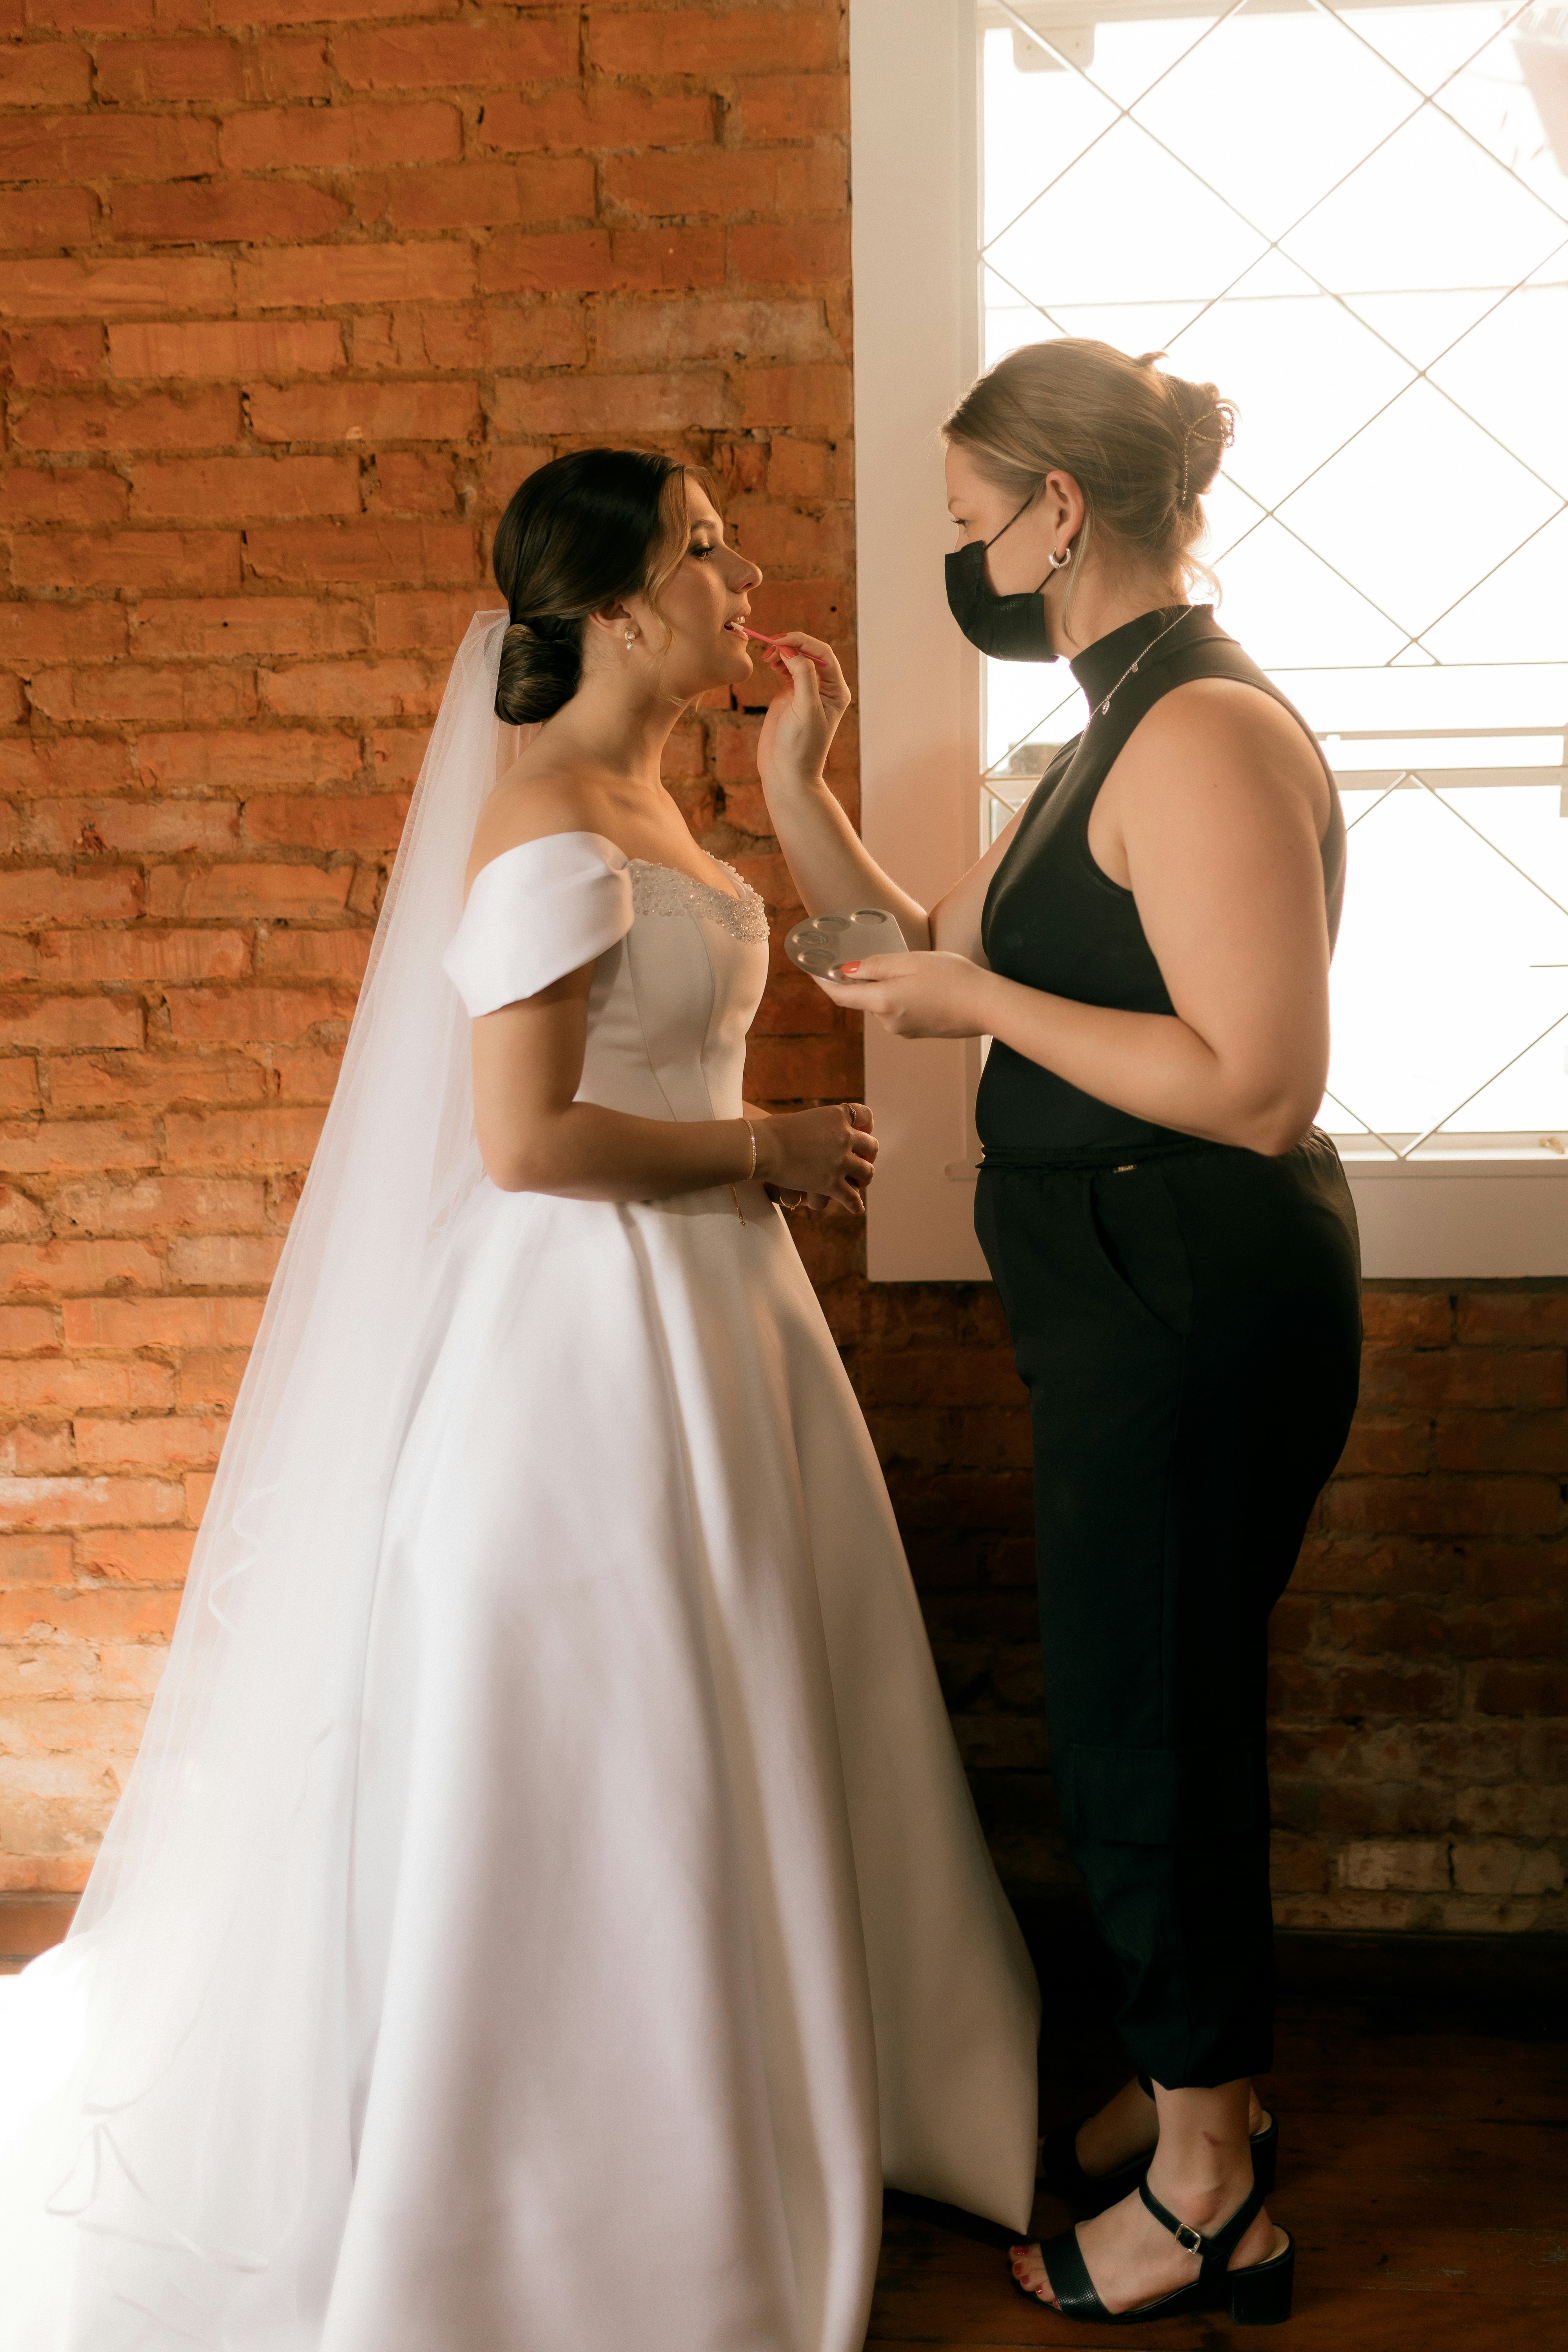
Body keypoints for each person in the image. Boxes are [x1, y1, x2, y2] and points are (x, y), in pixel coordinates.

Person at [0, 448, 1040, 2352]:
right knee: (610, 1726)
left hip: (717, 1317)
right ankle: (573, 2161)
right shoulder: (554, 820)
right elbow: (527, 1139)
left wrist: (800, 785)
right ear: (623, 606)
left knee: (743, 1693)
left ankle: (789, 2055)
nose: (745, 581)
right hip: (590, 1332)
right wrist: (768, 1145)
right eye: (709, 553)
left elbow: (879, 962)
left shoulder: (654, 794)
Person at [752, 340, 1362, 2327]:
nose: (963, 558)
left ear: (1058, 516)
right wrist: (796, 792)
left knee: (1141, 1720)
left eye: (966, 525)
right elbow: (941, 960)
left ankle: (1209, 2198)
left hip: (1188, 1285)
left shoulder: (1198, 733)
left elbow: (1255, 1081)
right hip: (1124, 1286)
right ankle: (1209, 2093)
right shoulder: (1112, 722)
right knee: (1146, 1695)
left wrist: (988, 1015)